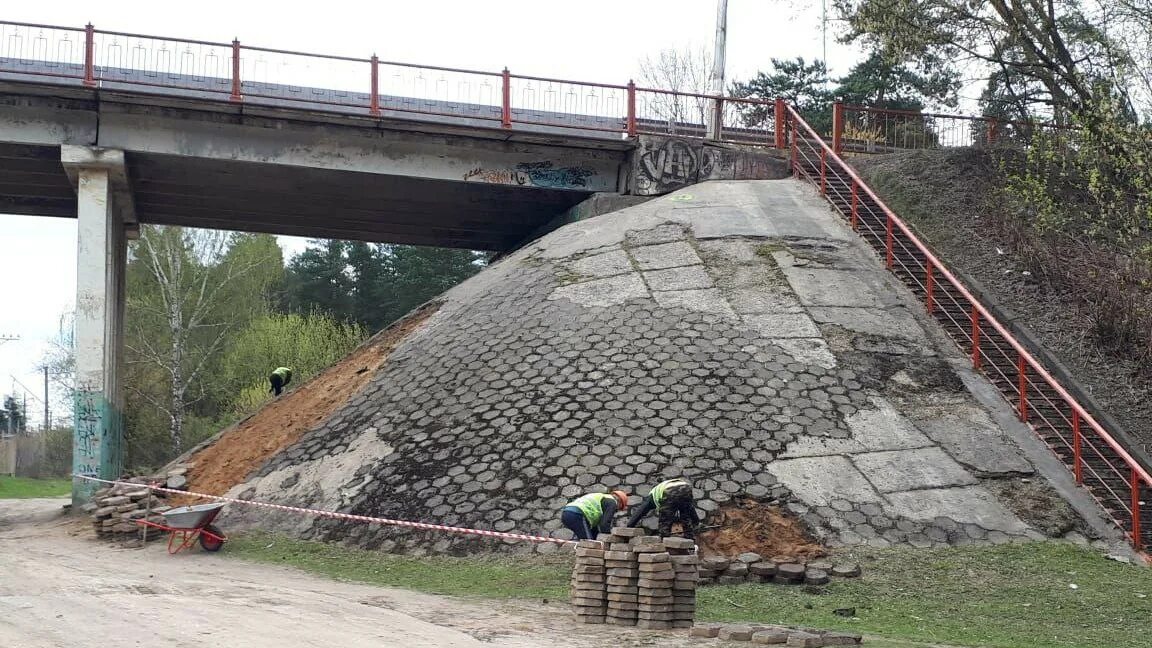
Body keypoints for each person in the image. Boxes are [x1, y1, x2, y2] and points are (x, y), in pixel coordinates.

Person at [627, 478, 700, 538]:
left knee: (665, 521)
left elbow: (640, 512)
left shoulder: (651, 497)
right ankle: (690, 544)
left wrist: (630, 525)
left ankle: (664, 544)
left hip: (669, 490)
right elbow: (691, 508)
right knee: (686, 517)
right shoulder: (659, 491)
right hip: (686, 487)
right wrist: (696, 521)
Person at [561, 490, 629, 540]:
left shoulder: (602, 497)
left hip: (567, 513)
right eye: (618, 508)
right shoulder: (612, 502)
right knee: (588, 543)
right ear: (620, 502)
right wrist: (611, 539)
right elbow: (604, 524)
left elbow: (595, 528)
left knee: (588, 538)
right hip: (577, 514)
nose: (616, 510)